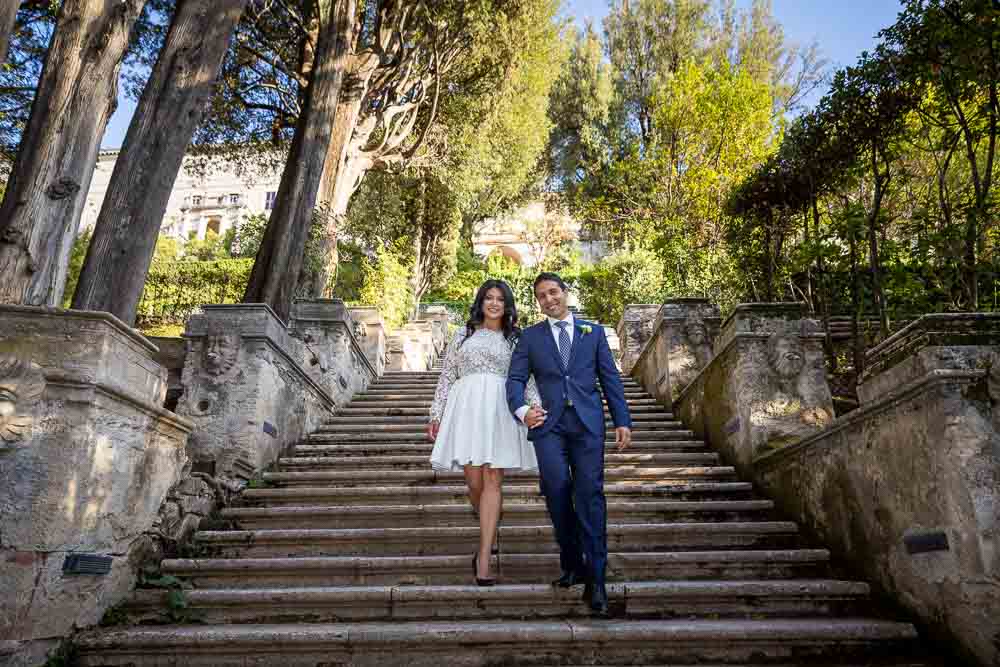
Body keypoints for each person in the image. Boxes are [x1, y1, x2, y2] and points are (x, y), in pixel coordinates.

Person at [506, 272, 632, 617]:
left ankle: (596, 578)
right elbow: (515, 378)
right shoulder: (531, 337)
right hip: (549, 425)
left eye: (553, 292)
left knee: (590, 495)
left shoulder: (593, 333)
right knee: (557, 488)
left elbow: (610, 378)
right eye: (541, 296)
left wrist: (622, 420)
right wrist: (522, 410)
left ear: (565, 292)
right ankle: (572, 560)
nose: (549, 299)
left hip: (588, 426)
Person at [427, 279, 541, 586]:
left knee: (493, 478)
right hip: (465, 408)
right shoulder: (462, 335)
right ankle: (488, 524)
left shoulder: (515, 339)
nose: (493, 303)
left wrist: (535, 407)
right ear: (481, 301)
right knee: (474, 481)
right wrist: (436, 413)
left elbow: (525, 378)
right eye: (488, 297)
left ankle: (484, 559)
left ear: (507, 306)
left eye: (500, 299)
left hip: (499, 410)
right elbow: (447, 375)